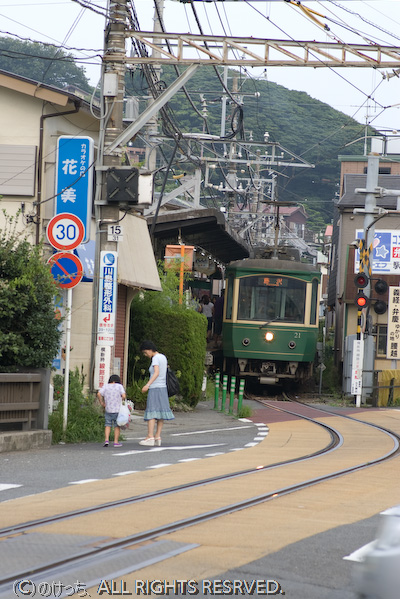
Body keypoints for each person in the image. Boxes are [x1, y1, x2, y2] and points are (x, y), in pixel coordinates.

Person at [139, 340, 175, 446]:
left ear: (150, 350)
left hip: (155, 388)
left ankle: (150, 436)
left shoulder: (155, 358)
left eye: (145, 352)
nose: (146, 355)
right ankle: (157, 436)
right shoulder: (163, 357)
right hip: (163, 388)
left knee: (152, 412)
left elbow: (156, 372)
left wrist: (147, 385)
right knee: (160, 413)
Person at [97, 374, 126, 448]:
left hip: (108, 409)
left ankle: (106, 440)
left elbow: (99, 394)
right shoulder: (119, 386)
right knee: (117, 426)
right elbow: (123, 396)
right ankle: (116, 442)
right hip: (117, 410)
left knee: (107, 425)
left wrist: (102, 403)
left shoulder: (105, 386)